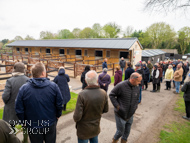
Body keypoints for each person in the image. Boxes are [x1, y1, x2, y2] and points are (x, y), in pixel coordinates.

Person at [15, 62, 63, 143]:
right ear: (43, 73)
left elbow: (18, 108)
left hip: (34, 125)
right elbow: (59, 103)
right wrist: (58, 115)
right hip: (49, 123)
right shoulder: (53, 86)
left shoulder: (24, 88)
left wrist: (23, 121)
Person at [73, 70, 108, 143]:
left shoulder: (82, 95)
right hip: (95, 127)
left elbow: (77, 117)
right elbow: (105, 109)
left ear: (85, 81)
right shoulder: (103, 93)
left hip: (83, 130)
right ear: (97, 80)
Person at [109, 72, 142, 143]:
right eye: (138, 81)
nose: (140, 83)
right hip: (120, 113)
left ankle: (123, 141)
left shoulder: (137, 87)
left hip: (130, 114)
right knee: (120, 131)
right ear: (133, 80)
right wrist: (117, 106)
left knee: (127, 131)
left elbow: (137, 98)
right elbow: (111, 95)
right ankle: (114, 140)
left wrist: (135, 107)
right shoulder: (121, 86)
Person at [2, 62, 29, 143]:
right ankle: (25, 140)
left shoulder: (10, 81)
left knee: (12, 124)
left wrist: (6, 102)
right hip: (24, 108)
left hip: (12, 107)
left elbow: (5, 96)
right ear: (23, 70)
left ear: (15, 69)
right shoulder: (28, 80)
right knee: (25, 124)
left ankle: (13, 140)